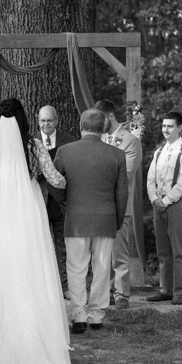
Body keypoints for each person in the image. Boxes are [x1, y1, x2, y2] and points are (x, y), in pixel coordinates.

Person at [0, 99, 73, 364]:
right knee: (32, 267)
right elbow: (54, 178)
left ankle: (5, 333)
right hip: (30, 211)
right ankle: (36, 330)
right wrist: (71, 183)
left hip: (2, 212)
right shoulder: (35, 146)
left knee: (4, 268)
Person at [53, 109, 129, 333]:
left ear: (80, 125)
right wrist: (117, 218)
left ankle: (78, 315)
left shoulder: (64, 152)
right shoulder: (117, 155)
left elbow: (54, 184)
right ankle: (96, 315)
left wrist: (66, 203)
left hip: (75, 217)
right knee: (102, 268)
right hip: (106, 217)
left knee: (76, 268)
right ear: (103, 127)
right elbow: (122, 194)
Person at [145, 112, 182, 305]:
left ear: (180, 128)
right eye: (164, 126)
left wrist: (165, 201)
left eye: (170, 126)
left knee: (178, 250)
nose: (166, 130)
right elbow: (151, 178)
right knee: (163, 251)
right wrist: (154, 199)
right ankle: (165, 289)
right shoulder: (159, 152)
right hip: (158, 205)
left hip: (177, 204)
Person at [99, 99, 143, 309]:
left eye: (101, 120)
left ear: (110, 116)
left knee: (119, 253)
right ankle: (104, 292)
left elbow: (125, 173)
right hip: (98, 205)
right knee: (100, 254)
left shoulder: (130, 141)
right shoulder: (98, 138)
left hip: (119, 204)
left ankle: (122, 295)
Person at [36, 104, 77, 296]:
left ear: (57, 121)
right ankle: (43, 288)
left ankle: (66, 287)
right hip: (38, 202)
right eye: (42, 120)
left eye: (49, 120)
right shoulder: (30, 142)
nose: (46, 124)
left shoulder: (70, 142)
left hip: (62, 202)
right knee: (39, 246)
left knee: (64, 246)